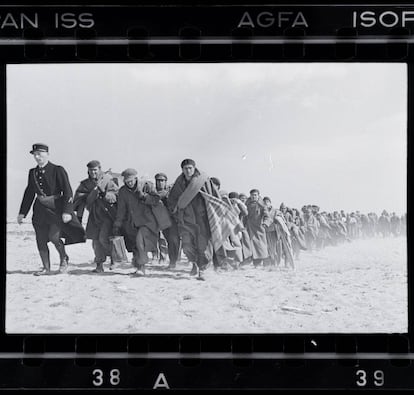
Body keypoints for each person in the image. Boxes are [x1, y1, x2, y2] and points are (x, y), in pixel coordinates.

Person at [17, 143, 85, 275]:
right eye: (35, 155)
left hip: (55, 210)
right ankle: (46, 268)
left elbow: (67, 191)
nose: (37, 157)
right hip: (39, 211)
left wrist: (67, 211)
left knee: (54, 237)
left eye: (40, 154)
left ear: (47, 155)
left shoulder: (57, 170)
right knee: (40, 239)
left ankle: (64, 258)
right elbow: (29, 193)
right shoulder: (32, 172)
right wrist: (22, 213)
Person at [168, 159, 241, 279]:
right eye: (185, 168)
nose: (188, 170)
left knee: (204, 246)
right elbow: (172, 199)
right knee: (187, 246)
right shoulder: (178, 183)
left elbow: (214, 196)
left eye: (190, 168)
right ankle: (194, 263)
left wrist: (218, 211)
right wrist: (176, 210)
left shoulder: (203, 180)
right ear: (182, 170)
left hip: (202, 218)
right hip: (186, 220)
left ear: (194, 168)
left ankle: (203, 269)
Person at [74, 160, 118, 273]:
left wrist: (105, 194)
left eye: (95, 170)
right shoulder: (85, 184)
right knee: (95, 241)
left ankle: (114, 258)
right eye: (90, 170)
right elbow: (78, 198)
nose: (93, 172)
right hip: (93, 215)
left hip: (107, 214)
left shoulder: (108, 180)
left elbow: (116, 195)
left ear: (99, 169)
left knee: (104, 238)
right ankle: (99, 265)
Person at [112, 168, 160, 275]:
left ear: (136, 178)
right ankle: (139, 267)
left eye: (131, 181)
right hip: (131, 223)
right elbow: (121, 210)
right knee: (134, 245)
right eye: (127, 181)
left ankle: (141, 267)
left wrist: (144, 196)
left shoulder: (146, 186)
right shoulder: (123, 191)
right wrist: (117, 224)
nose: (129, 183)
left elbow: (156, 199)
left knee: (140, 242)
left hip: (146, 221)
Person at [154, 172, 180, 269]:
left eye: (162, 181)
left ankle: (173, 261)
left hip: (173, 220)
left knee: (173, 240)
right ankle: (169, 260)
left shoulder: (169, 193)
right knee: (168, 240)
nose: (160, 183)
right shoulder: (154, 194)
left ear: (165, 182)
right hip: (162, 221)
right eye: (158, 181)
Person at [245, 189, 269, 267]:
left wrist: (265, 223)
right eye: (252, 195)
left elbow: (267, 216)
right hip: (249, 228)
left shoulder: (262, 205)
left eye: (255, 195)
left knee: (260, 246)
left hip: (259, 229)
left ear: (258, 195)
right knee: (249, 245)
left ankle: (259, 263)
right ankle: (252, 262)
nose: (254, 196)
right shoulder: (247, 204)